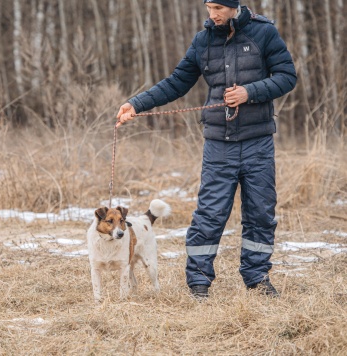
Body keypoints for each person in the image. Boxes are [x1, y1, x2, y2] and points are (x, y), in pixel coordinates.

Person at [116, 0, 297, 299]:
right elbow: (177, 82)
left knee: (261, 214)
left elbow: (287, 77)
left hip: (258, 143)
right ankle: (198, 282)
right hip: (218, 145)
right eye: (208, 7)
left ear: (234, 6)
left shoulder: (263, 33)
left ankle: (257, 279)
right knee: (210, 214)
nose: (212, 15)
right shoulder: (203, 40)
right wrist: (136, 103)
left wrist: (249, 93)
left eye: (218, 8)